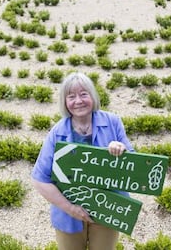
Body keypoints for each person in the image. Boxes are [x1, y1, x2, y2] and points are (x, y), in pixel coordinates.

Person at [31, 72, 134, 250]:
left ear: (92, 97)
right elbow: (39, 179)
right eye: (71, 96)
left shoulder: (112, 122)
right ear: (65, 102)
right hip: (69, 216)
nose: (78, 101)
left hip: (107, 209)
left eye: (84, 94)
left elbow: (134, 167)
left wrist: (122, 151)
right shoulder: (57, 132)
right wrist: (71, 208)